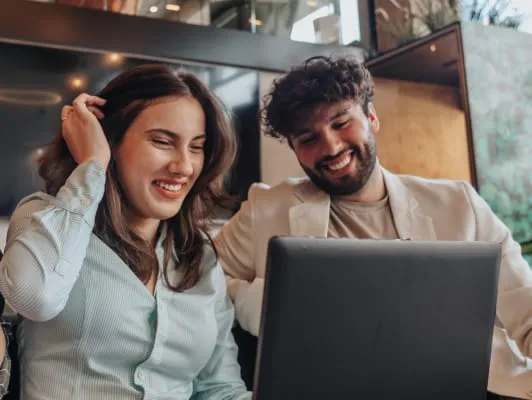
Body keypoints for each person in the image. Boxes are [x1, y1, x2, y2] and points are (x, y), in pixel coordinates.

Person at [213, 56, 532, 400]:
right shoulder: (267, 208)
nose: (331, 147)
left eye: (340, 122)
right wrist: (258, 301)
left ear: (372, 117)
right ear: (294, 149)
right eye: (308, 138)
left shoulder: (459, 204)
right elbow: (198, 282)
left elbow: (525, 310)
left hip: (462, 387)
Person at [0, 64, 251, 399]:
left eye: (196, 146)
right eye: (163, 141)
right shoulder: (42, 217)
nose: (184, 166)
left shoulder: (200, 256)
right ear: (110, 142)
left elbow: (219, 387)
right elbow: (35, 297)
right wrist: (92, 164)